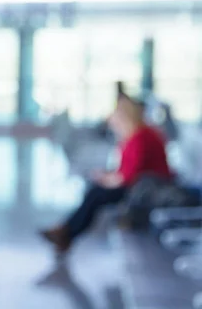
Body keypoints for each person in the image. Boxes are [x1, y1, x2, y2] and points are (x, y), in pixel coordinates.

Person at [40, 95, 171, 254]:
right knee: (95, 191)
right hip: (141, 185)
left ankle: (66, 232)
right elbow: (127, 170)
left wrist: (107, 179)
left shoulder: (141, 137)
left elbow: (129, 177)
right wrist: (107, 177)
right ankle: (66, 231)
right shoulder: (135, 135)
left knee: (96, 194)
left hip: (148, 189)